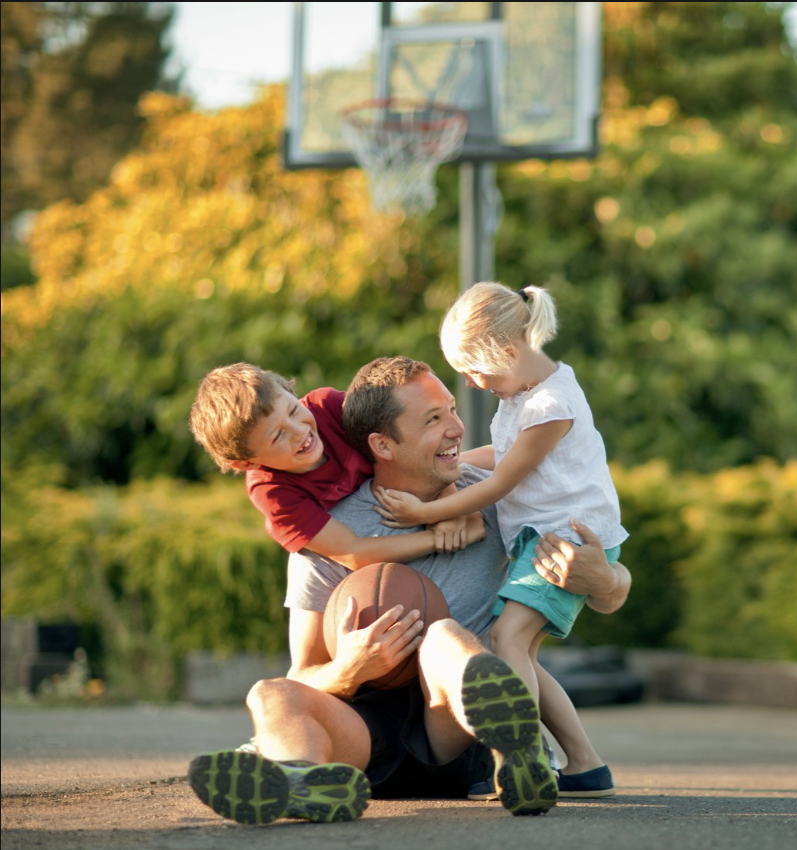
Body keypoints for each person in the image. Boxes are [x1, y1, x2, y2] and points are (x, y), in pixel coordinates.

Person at [187, 357, 631, 825]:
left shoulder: (494, 500)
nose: (458, 428)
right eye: (432, 420)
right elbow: (304, 672)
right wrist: (349, 668)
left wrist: (605, 579)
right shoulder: (325, 540)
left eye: (453, 410)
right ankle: (299, 781)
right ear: (381, 443)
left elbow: (607, 594)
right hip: (367, 736)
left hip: (456, 734)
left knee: (443, 636)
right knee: (269, 694)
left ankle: (514, 749)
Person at [374, 283, 628, 799]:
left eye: (475, 370)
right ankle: (585, 764)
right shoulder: (524, 396)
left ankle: (527, 761)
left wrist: (426, 509)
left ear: (508, 351)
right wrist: (456, 463)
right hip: (543, 541)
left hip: (565, 546)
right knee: (522, 654)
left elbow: (502, 482)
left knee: (505, 640)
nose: (471, 382)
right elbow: (501, 454)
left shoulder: (552, 405)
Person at [189, 362, 479, 571]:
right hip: (362, 539)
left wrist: (449, 504)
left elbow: (420, 450)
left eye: (292, 409)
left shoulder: (328, 407)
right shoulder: (273, 492)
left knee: (485, 457)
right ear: (248, 462)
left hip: (412, 486)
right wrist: (436, 539)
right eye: (277, 435)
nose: (298, 430)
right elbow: (353, 552)